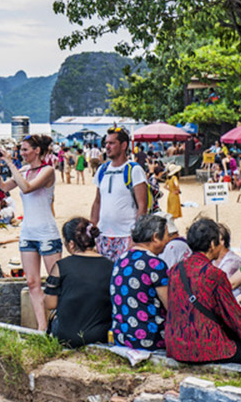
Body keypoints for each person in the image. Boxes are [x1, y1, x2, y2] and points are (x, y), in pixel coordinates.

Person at [165, 218, 241, 366]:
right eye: (219, 241)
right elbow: (235, 317)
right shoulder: (214, 275)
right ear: (212, 244)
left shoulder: (175, 270)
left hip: (176, 346)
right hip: (206, 348)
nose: (221, 245)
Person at [0, 134, 61, 332]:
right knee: (32, 282)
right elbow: (1, 188)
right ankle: (42, 327)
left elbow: (28, 188)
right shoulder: (22, 170)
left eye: (24, 149)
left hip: (47, 233)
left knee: (55, 282)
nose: (21, 153)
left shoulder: (47, 170)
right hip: (28, 233)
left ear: (36, 151)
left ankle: (60, 323)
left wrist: (9, 163)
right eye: (20, 150)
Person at [44, 218, 113, 347]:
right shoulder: (111, 266)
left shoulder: (61, 266)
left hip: (66, 336)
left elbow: (50, 304)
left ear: (71, 244)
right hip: (100, 336)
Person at [110, 214, 170, 350]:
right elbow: (170, 305)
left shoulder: (122, 259)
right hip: (149, 337)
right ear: (155, 237)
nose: (168, 240)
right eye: (166, 234)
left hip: (121, 335)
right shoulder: (155, 264)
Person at [91, 126, 149, 262]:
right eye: (106, 143)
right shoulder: (102, 170)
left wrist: (135, 238)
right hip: (103, 235)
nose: (107, 147)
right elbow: (97, 201)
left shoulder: (134, 170)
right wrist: (92, 227)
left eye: (112, 143)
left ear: (124, 145)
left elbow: (142, 205)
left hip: (126, 236)